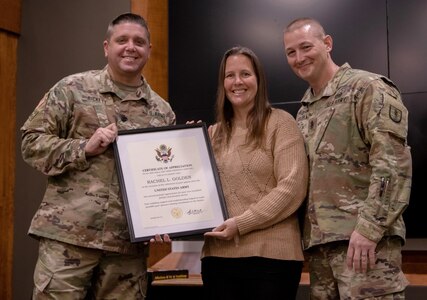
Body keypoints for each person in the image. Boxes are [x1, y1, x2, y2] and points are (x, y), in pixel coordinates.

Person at [21, 13, 175, 299]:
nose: (131, 47)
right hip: (69, 239)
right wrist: (83, 148)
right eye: (122, 40)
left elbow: (162, 178)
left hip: (126, 251)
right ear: (107, 46)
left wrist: (165, 220)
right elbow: (31, 143)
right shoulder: (72, 89)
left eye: (139, 41)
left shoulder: (162, 112)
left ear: (149, 50)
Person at [283, 17, 412, 299]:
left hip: (366, 246)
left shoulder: (367, 88)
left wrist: (369, 230)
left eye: (306, 47)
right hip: (320, 249)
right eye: (291, 52)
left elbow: (393, 166)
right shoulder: (305, 110)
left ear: (327, 43)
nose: (299, 58)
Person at [200, 46, 309, 300]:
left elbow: (292, 188)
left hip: (272, 259)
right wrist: (188, 145)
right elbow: (192, 191)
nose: (237, 82)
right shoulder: (211, 135)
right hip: (218, 258)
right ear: (222, 83)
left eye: (245, 74)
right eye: (230, 75)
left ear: (258, 79)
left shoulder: (281, 123)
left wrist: (241, 224)